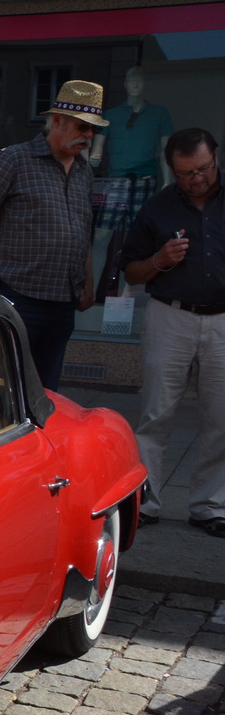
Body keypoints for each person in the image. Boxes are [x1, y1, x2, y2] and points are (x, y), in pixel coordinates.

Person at [0, 79, 106, 392]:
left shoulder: (83, 172)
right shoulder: (15, 159)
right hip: (19, 297)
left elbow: (81, 229)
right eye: (81, 126)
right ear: (57, 121)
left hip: (63, 302)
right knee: (3, 387)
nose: (88, 136)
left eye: (93, 129)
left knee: (47, 392)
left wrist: (88, 282)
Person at [120, 127, 225, 537]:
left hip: (222, 320)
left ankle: (210, 506)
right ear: (172, 170)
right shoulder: (156, 209)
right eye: (186, 173)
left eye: (204, 168)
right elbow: (131, 270)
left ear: (216, 156)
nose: (197, 178)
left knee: (220, 418)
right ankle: (146, 501)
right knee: (156, 414)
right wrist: (160, 260)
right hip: (170, 316)